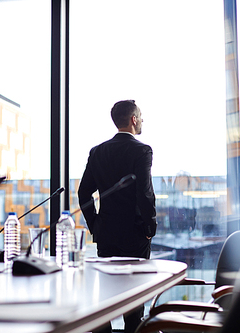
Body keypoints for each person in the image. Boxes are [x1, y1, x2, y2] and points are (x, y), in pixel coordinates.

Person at [78, 99, 157, 333]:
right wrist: (149, 229)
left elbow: (84, 192)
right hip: (135, 234)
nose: (143, 120)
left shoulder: (97, 151)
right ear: (133, 119)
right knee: (134, 300)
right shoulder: (142, 150)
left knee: (106, 296)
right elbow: (145, 193)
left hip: (107, 236)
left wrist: (96, 225)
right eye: (141, 116)